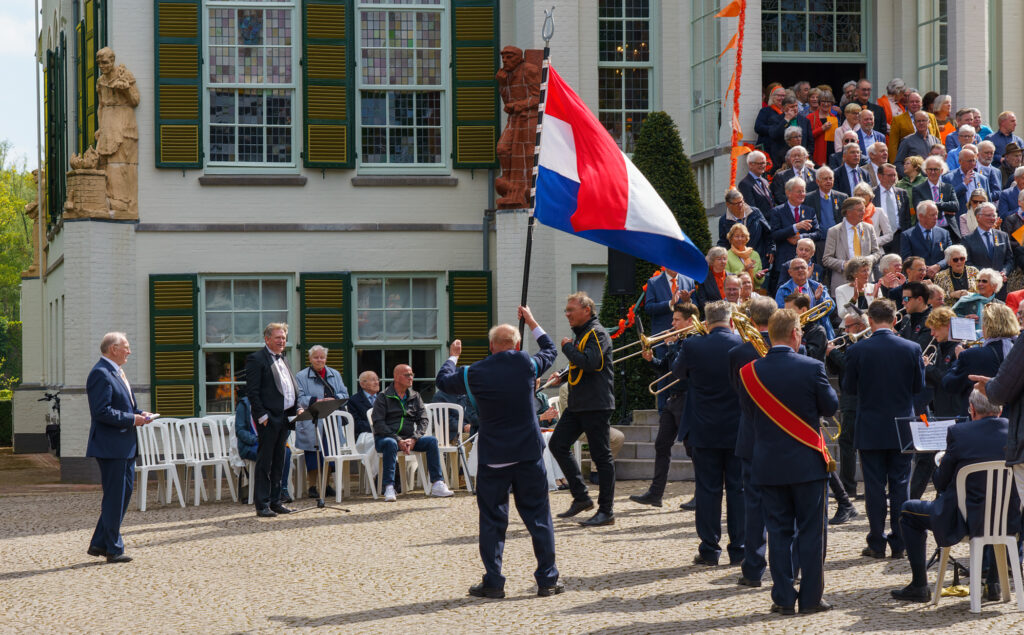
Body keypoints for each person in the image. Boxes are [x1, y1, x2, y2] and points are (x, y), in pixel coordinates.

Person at [435, 306, 562, 599]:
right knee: (539, 517)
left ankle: (494, 581)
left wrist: (453, 355)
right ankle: (548, 579)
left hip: (494, 457)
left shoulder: (474, 372)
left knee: (493, 519)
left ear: (491, 346)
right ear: (516, 345)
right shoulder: (527, 365)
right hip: (528, 453)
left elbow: (444, 380)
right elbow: (550, 349)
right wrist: (531, 320)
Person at [737, 309, 838, 615]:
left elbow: (750, 414)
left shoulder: (748, 372)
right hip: (807, 461)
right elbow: (830, 405)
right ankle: (810, 599)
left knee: (778, 533)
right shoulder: (811, 367)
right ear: (795, 333)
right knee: (811, 532)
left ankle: (782, 598)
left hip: (768, 462)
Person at [891, 389, 1019, 603]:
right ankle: (994, 583)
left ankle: (919, 586)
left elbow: (941, 482)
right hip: (1009, 518)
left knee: (908, 510)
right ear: (1001, 408)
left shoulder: (960, 433)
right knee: (994, 509)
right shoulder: (1015, 432)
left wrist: (941, 462)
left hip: (964, 519)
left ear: (971, 409)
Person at [844, 299, 925, 559]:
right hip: (902, 425)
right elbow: (918, 387)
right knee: (900, 485)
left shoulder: (858, 349)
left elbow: (849, 387)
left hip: (870, 426)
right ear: (894, 319)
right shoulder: (912, 347)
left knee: (874, 487)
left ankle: (877, 542)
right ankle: (900, 542)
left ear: (870, 320)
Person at [672, 300, 745, 566]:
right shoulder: (742, 344)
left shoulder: (693, 344)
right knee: (738, 490)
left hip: (704, 428)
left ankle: (709, 550)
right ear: (731, 319)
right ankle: (739, 549)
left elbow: (677, 373)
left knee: (707, 490)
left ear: (706, 321)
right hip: (738, 428)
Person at [548, 292, 616, 527]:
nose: (567, 314)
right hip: (579, 404)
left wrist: (567, 348)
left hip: (595, 404)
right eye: (566, 310)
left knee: (601, 456)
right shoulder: (584, 334)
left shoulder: (597, 332)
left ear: (586, 310)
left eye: (570, 310)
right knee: (557, 444)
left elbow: (592, 363)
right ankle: (581, 497)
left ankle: (606, 511)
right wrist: (564, 375)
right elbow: (582, 364)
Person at [85, 332, 154, 563]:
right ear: (113, 348)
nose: (129, 351)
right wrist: (131, 420)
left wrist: (139, 414)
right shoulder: (100, 373)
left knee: (122, 496)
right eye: (126, 347)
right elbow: (101, 411)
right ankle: (114, 549)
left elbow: (124, 406)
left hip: (125, 445)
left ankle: (98, 543)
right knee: (115, 497)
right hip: (111, 446)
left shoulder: (117, 372)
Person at [728, 296, 777, 588]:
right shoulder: (797, 347)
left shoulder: (738, 352)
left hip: (751, 433)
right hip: (787, 434)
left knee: (754, 504)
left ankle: (753, 567)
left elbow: (738, 394)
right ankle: (789, 566)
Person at [631, 303, 699, 508]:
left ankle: (701, 494)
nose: (672, 323)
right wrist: (652, 360)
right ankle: (655, 492)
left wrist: (670, 347)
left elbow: (680, 372)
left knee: (692, 449)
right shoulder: (680, 341)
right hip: (673, 399)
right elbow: (667, 368)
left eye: (676, 319)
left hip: (688, 400)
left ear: (689, 321)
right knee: (661, 445)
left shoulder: (694, 341)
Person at [245, 323, 303, 518]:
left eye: (284, 338)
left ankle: (276, 501)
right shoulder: (256, 359)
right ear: (267, 339)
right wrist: (262, 417)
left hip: (286, 417)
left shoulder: (283, 358)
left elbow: (288, 389)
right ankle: (262, 504)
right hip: (269, 419)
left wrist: (297, 407)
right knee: (265, 463)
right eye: (278, 337)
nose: (281, 341)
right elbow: (252, 392)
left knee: (280, 460)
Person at [372, 364, 454, 501]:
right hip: (386, 439)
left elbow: (423, 420)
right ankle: (389, 487)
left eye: (412, 374)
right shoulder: (383, 396)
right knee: (391, 443)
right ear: (396, 377)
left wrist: (414, 438)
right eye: (407, 375)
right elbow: (378, 423)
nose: (411, 378)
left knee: (432, 441)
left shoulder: (415, 396)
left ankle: (437, 483)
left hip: (410, 439)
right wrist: (398, 439)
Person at [913, 306, 960, 499]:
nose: (931, 334)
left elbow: (948, 379)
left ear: (947, 326)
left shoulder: (957, 348)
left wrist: (928, 367)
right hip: (933, 408)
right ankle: (915, 498)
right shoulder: (940, 346)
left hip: (950, 411)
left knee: (934, 458)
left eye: (935, 329)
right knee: (927, 457)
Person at [943, 302, 1020, 416]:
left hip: (980, 419)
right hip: (1015, 419)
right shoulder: (1019, 349)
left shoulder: (971, 356)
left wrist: (959, 359)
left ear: (986, 326)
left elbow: (949, 385)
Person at [295, 345, 350, 499]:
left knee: (329, 452)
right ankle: (312, 486)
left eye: (322, 357)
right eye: (316, 357)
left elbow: (344, 394)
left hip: (332, 421)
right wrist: (317, 400)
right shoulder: (301, 376)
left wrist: (333, 399)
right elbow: (299, 398)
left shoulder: (334, 374)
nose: (319, 360)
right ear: (310, 359)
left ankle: (326, 485)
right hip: (312, 420)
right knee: (313, 453)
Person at [826, 310, 869, 503]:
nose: (844, 330)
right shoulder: (849, 342)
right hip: (848, 396)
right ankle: (849, 486)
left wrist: (833, 352)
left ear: (860, 326)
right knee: (846, 442)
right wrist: (830, 354)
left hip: (858, 397)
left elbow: (851, 367)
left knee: (851, 441)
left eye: (848, 326)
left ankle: (852, 486)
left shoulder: (864, 342)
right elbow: (836, 368)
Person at [769, 177, 820, 293]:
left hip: (806, 263)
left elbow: (818, 233)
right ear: (788, 193)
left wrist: (801, 238)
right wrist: (794, 227)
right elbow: (775, 234)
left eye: (803, 191)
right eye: (799, 191)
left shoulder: (809, 211)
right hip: (786, 261)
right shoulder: (777, 211)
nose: (802, 194)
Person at [822, 197, 882, 292]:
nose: (863, 212)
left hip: (866, 283)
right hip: (842, 282)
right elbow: (826, 259)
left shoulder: (869, 228)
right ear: (848, 212)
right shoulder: (834, 231)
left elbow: (877, 253)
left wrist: (867, 260)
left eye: (864, 209)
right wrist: (845, 265)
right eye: (859, 210)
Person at [962, 204, 1014, 296]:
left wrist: (1004, 272)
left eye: (994, 215)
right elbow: (967, 264)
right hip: (980, 289)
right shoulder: (967, 240)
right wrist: (990, 274)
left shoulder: (1003, 236)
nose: (992, 218)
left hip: (1000, 288)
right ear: (978, 217)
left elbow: (1010, 260)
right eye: (988, 215)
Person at [718, 188, 774, 268]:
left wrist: (771, 248)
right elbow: (723, 242)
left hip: (759, 259)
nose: (740, 205)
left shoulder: (755, 213)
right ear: (728, 204)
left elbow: (768, 232)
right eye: (736, 203)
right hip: (737, 265)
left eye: (741, 202)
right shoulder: (724, 220)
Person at [912, 156, 960, 239]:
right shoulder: (918, 189)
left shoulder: (948, 187)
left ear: (941, 171)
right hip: (928, 231)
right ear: (925, 171)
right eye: (930, 169)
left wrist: (933, 204)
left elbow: (955, 206)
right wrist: (944, 210)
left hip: (949, 229)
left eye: (936, 169)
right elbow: (920, 208)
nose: (932, 172)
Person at [803, 167, 848, 255]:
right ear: (817, 181)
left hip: (839, 241)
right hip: (819, 241)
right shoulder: (808, 199)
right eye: (825, 179)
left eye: (830, 178)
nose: (828, 181)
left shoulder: (843, 197)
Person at [900, 201, 952, 272]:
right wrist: (924, 269)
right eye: (932, 215)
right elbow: (907, 260)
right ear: (921, 216)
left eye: (936, 214)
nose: (936, 218)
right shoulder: (907, 236)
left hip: (941, 275)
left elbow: (950, 255)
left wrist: (938, 266)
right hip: (919, 278)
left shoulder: (944, 233)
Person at [951, 268, 1004, 334]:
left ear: (994, 286)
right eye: (979, 281)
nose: (980, 284)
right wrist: (964, 319)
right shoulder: (966, 300)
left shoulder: (1001, 306)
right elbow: (951, 319)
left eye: (984, 281)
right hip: (967, 340)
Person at [890, 92, 940, 161]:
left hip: (931, 162)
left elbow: (937, 137)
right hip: (910, 163)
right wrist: (895, 165)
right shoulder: (898, 120)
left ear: (921, 103)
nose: (914, 104)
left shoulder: (931, 117)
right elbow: (893, 146)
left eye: (917, 101)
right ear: (907, 103)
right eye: (912, 102)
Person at [644, 267, 694, 335]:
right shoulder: (653, 282)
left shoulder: (689, 281)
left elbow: (696, 307)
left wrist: (688, 301)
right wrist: (670, 303)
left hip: (684, 335)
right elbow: (648, 308)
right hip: (662, 334)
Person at [874, 162, 910, 253]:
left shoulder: (902, 193)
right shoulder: (872, 194)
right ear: (880, 176)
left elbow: (907, 218)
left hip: (898, 237)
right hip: (880, 237)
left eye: (895, 175)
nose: (893, 178)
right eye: (890, 175)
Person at [725, 224, 765, 291]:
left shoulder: (754, 254)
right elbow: (727, 278)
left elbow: (760, 280)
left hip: (754, 294)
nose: (740, 239)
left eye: (743, 236)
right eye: (737, 236)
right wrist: (744, 270)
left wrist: (759, 277)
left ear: (746, 238)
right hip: (736, 293)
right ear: (731, 238)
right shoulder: (726, 255)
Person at [738, 151, 774, 215]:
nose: (763, 166)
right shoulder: (745, 184)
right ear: (750, 164)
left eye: (764, 163)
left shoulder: (765, 181)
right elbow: (751, 208)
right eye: (760, 163)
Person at [347, 370, 380, 438]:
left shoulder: (384, 398)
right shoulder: (354, 400)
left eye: (377, 379)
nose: (376, 382)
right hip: (364, 436)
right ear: (362, 384)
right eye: (372, 380)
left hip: (385, 433)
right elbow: (356, 424)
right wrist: (378, 427)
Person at [809, 90, 838, 167]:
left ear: (832, 103)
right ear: (819, 102)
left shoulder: (834, 117)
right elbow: (808, 137)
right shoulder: (811, 117)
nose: (826, 104)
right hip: (817, 156)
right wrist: (821, 129)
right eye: (823, 101)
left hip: (831, 155)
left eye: (828, 101)